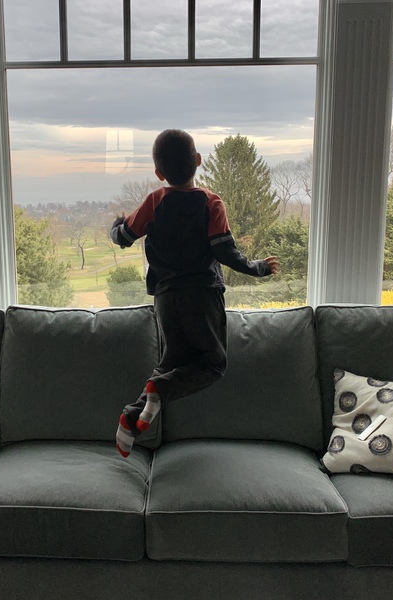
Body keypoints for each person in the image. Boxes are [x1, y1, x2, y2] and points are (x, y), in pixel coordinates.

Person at [110, 129, 280, 457]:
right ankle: (158, 390)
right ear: (198, 161)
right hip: (202, 295)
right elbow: (225, 251)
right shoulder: (210, 201)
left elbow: (124, 236)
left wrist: (115, 225)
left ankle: (130, 420)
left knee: (171, 362)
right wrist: (257, 268)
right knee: (213, 363)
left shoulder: (154, 200)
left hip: (166, 299)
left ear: (159, 173)